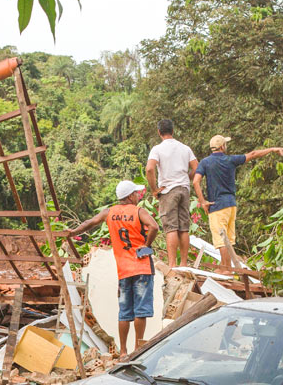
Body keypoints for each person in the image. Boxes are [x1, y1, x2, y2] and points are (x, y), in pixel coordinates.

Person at [67, 180, 159, 357]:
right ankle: (137, 349)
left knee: (124, 312)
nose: (138, 196)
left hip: (123, 270)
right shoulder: (138, 211)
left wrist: (73, 233)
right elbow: (154, 226)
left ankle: (123, 351)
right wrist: (146, 245)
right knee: (140, 311)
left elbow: (90, 222)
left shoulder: (109, 213)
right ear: (130, 196)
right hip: (142, 268)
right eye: (136, 193)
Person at [192, 134, 283, 267]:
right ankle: (227, 268)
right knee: (228, 240)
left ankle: (226, 269)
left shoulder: (205, 162)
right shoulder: (231, 160)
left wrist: (203, 202)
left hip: (217, 205)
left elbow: (196, 181)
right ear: (222, 146)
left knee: (221, 240)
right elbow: (253, 154)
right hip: (231, 205)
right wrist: (272, 149)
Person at [144, 119, 196, 268]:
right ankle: (184, 264)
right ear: (173, 131)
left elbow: (149, 169)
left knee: (171, 228)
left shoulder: (157, 149)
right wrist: (186, 178)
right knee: (184, 228)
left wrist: (154, 189)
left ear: (159, 132)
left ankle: (172, 265)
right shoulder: (185, 148)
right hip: (184, 189)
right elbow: (196, 167)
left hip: (168, 191)